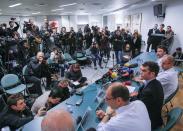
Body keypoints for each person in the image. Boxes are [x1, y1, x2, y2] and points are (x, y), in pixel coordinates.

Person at [131, 61, 164, 129]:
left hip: (149, 122)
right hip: (153, 114)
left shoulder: (149, 92)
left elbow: (139, 108)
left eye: (144, 70)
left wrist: (133, 97)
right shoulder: (156, 82)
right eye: (141, 70)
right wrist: (137, 95)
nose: (141, 72)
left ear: (152, 74)